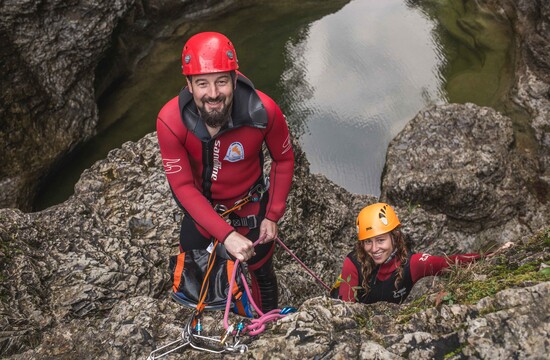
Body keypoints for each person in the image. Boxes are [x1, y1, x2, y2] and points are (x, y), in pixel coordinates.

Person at [156, 32, 294, 312]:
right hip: (203, 215)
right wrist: (226, 235)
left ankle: (266, 325)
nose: (213, 93)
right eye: (202, 84)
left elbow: (284, 159)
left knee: (261, 271)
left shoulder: (263, 111)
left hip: (252, 210)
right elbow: (183, 188)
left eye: (221, 81)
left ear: (234, 78)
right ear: (189, 85)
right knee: (197, 275)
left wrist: (272, 215)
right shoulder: (171, 122)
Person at [333, 202, 506, 304]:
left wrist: (491, 254)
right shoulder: (354, 262)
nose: (374, 249)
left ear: (395, 237)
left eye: (380, 240)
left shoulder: (412, 264)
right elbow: (345, 309)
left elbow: (448, 263)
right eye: (368, 242)